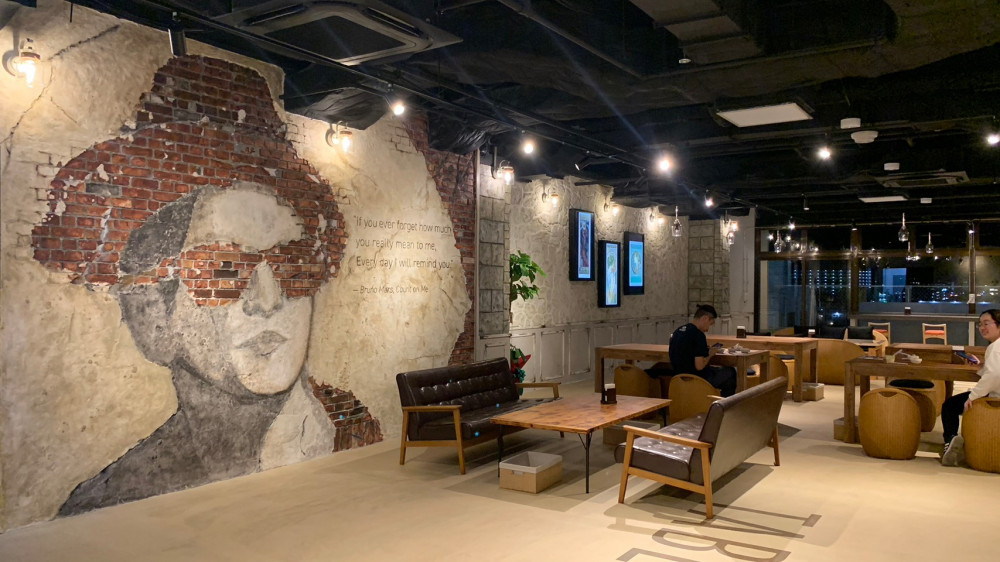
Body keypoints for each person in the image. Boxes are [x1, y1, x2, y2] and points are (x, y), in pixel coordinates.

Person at [940, 309, 1000, 466]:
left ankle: (950, 441)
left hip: (995, 398)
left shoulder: (996, 347)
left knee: (950, 406)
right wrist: (981, 365)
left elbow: (994, 375)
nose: (982, 328)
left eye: (986, 323)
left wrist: (973, 396)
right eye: (980, 324)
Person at [668, 304, 737, 397]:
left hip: (678, 379)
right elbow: (699, 366)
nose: (708, 329)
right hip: (698, 379)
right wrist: (711, 354)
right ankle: (723, 405)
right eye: (710, 324)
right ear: (705, 318)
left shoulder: (678, 331)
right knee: (730, 372)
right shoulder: (698, 335)